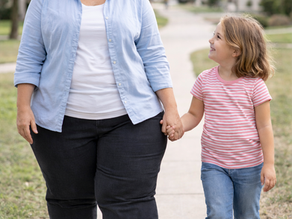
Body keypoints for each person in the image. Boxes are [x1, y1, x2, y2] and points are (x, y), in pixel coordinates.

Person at [14, 0, 183, 218]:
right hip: (60, 123)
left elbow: (153, 55)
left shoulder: (136, 2)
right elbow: (30, 54)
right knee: (70, 203)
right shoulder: (44, 3)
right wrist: (23, 107)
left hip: (133, 121)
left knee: (130, 204)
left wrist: (171, 107)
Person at [165, 15, 276, 218]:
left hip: (249, 166)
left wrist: (268, 163)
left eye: (218, 37)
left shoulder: (255, 86)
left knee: (247, 214)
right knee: (217, 214)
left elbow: (265, 127)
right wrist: (178, 125)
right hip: (214, 164)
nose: (210, 40)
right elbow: (193, 114)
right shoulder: (205, 80)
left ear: (236, 50)